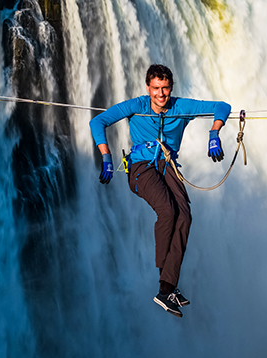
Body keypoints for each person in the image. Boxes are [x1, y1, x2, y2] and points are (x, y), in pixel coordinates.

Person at [89, 64, 231, 318]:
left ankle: (168, 287)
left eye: (165, 88)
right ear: (148, 88)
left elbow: (222, 106)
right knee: (167, 210)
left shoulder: (181, 107)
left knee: (185, 216)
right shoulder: (138, 106)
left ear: (171, 88)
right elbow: (98, 121)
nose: (161, 94)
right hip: (140, 168)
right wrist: (106, 156)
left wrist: (214, 132)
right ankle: (164, 283)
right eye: (156, 88)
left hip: (168, 166)